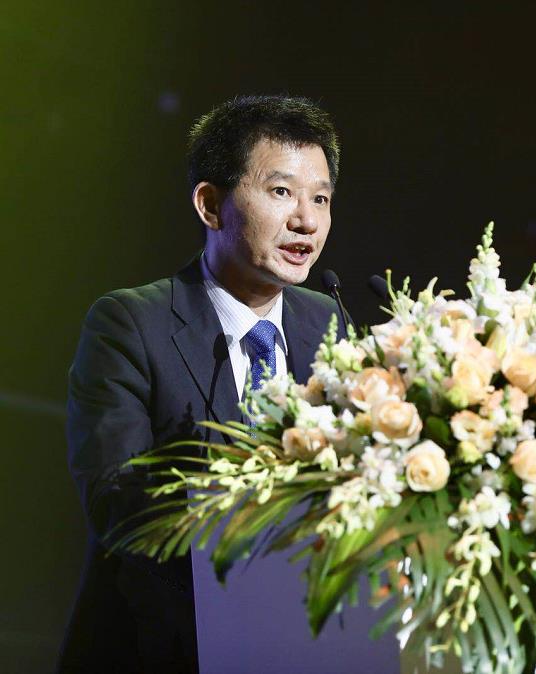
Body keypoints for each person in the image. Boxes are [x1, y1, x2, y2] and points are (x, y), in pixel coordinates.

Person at [58, 95, 347, 673]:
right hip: (158, 646)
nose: (306, 221)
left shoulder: (329, 322)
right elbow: (118, 504)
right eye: (281, 192)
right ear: (211, 205)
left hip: (292, 647)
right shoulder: (130, 323)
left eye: (320, 198)